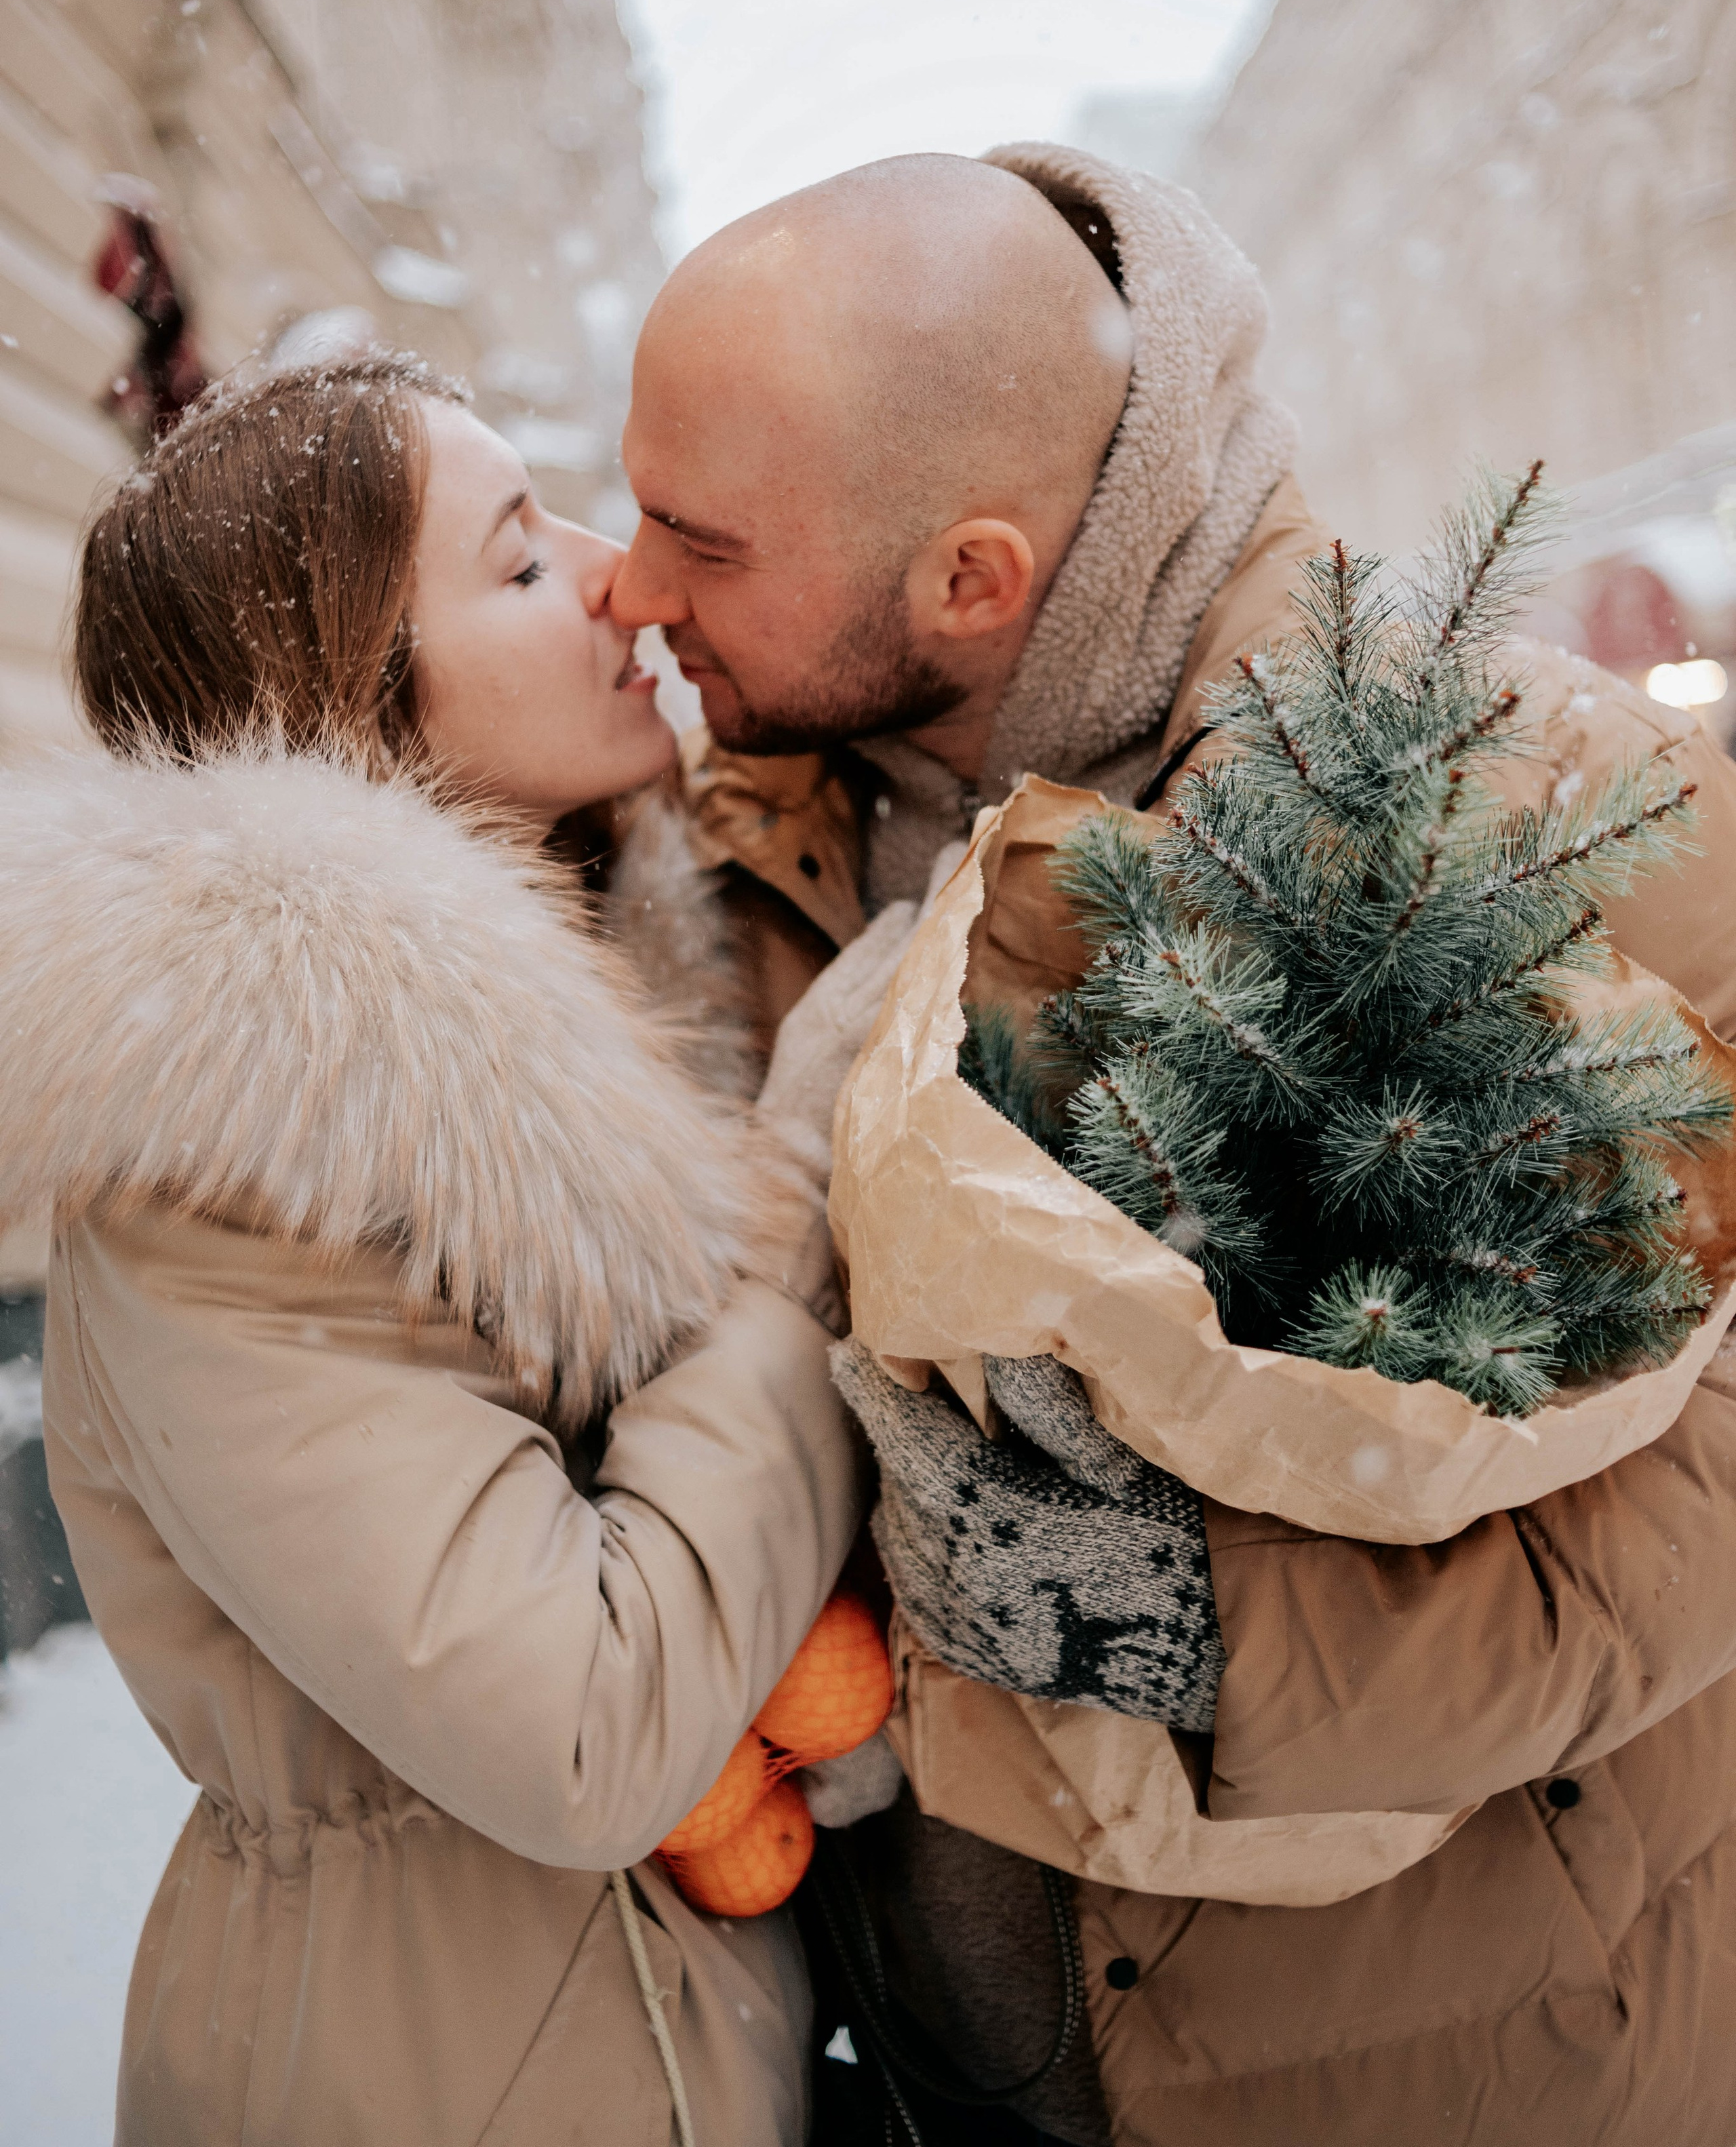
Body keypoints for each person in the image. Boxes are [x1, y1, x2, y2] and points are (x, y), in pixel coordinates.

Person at [610, 146, 1736, 2145]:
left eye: (696, 539)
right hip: (920, 2069)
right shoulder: (729, 838)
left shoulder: (1540, 802)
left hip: (1431, 2072)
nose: (629, 586)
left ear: (969, 577)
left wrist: (1205, 1620)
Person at [0, 353, 909, 2147]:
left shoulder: (617, 999)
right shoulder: (231, 1166)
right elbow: (588, 1722)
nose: (617, 575)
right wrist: (801, 1182)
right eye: (515, 561)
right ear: (356, 704)